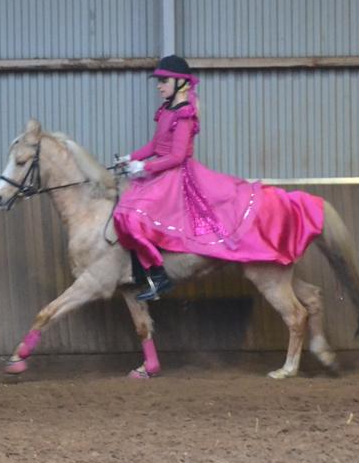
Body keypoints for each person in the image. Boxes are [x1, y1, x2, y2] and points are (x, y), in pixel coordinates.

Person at [113, 55, 326, 301]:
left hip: (175, 176)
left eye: (164, 81)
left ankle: (159, 277)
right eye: (159, 81)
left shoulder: (184, 113)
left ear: (180, 83)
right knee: (124, 216)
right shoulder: (166, 110)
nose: (159, 86)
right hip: (159, 173)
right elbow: (155, 145)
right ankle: (150, 273)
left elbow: (176, 156)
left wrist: (144, 168)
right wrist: (130, 158)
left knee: (132, 217)